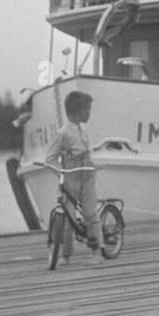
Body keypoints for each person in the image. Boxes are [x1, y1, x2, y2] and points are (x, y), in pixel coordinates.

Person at [44, 90, 104, 258]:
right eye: (88, 110)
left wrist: (93, 165)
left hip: (86, 175)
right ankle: (66, 254)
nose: (89, 113)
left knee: (90, 214)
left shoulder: (81, 131)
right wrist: (61, 173)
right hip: (71, 176)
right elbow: (50, 158)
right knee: (68, 219)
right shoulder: (63, 133)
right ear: (79, 112)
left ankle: (97, 251)